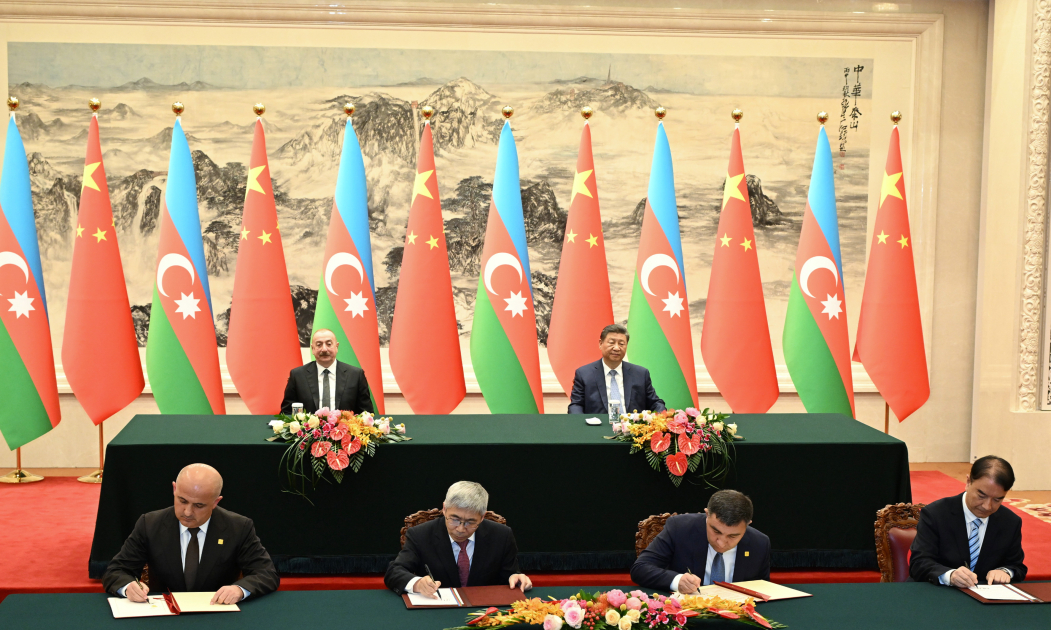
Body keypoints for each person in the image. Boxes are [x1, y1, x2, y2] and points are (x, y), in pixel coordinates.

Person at [102, 463, 280, 603]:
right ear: (174, 489)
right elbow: (117, 570)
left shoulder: (238, 527)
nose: (187, 512)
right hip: (164, 616)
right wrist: (128, 587)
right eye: (182, 500)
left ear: (216, 502)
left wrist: (239, 590)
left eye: (199, 505)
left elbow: (266, 573)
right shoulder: (150, 524)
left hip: (217, 614)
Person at [384, 481, 532, 597]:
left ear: (482, 517)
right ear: (444, 509)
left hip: (484, 611)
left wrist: (516, 577)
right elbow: (394, 571)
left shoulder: (501, 535)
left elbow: (510, 574)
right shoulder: (420, 535)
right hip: (437, 610)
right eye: (454, 519)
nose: (461, 529)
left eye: (470, 522)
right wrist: (417, 584)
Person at [909, 455, 1027, 586]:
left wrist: (1005, 572)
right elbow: (919, 563)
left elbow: (1017, 566)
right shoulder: (935, 514)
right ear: (968, 482)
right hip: (940, 591)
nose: (987, 506)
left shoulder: (1010, 522)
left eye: (997, 500)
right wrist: (949, 575)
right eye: (981, 496)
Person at [631, 490, 771, 593]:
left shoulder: (759, 543)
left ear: (748, 524)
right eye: (716, 531)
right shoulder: (679, 528)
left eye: (732, 536)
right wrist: (677, 581)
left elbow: (762, 588)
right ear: (707, 514)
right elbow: (640, 568)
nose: (721, 543)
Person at [568, 324, 666, 414]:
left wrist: (660, 417)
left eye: (621, 344)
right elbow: (576, 405)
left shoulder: (641, 374)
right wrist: (580, 423)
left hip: (632, 426)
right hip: (598, 426)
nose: (616, 348)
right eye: (611, 343)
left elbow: (655, 403)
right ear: (600, 344)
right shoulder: (584, 374)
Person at [280, 328, 374, 415]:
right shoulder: (298, 375)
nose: (324, 349)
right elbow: (287, 412)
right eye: (319, 345)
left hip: (345, 427)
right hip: (307, 428)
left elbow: (366, 414)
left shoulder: (355, 375)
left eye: (329, 344)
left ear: (336, 347)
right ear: (312, 349)